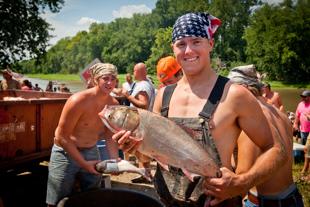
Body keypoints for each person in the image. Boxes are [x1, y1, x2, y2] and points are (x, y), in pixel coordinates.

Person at [112, 13, 286, 207]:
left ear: (210, 44)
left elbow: (277, 150)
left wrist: (243, 182)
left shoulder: (235, 95)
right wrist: (134, 148)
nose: (188, 50)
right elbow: (150, 156)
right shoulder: (164, 95)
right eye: (181, 44)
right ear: (173, 49)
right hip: (167, 201)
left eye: (196, 42)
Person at [46, 63, 120, 207]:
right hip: (64, 152)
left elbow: (110, 135)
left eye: (113, 79)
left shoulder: (113, 104)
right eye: (105, 78)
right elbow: (62, 137)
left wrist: (114, 160)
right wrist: (83, 164)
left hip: (91, 150)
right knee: (56, 200)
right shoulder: (77, 100)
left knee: (93, 196)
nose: (110, 83)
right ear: (95, 80)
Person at [228, 65, 304, 206]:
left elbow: (244, 170)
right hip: (293, 198)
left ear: (243, 89)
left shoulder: (251, 118)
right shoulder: (281, 114)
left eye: (229, 91)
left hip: (264, 201)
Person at [120, 62, 156, 183]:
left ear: (138, 72)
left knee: (139, 150)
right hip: (147, 122)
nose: (133, 73)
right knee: (144, 151)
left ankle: (145, 174)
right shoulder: (149, 83)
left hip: (141, 123)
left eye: (134, 71)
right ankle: (146, 174)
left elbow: (144, 104)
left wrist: (128, 97)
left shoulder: (142, 86)